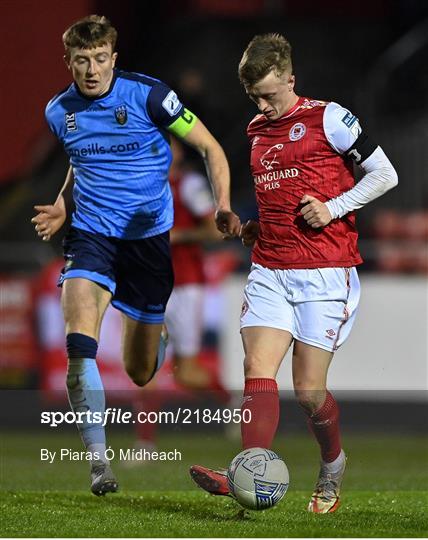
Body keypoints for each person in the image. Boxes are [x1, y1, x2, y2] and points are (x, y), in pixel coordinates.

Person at [31, 15, 240, 496]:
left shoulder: (149, 96)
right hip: (91, 237)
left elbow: (209, 147)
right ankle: (99, 464)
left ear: (114, 58)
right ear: (69, 61)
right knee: (78, 344)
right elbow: (78, 161)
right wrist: (65, 205)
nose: (91, 70)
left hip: (148, 242)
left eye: (99, 59)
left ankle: (155, 334)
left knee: (141, 370)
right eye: (81, 61)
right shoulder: (57, 110)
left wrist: (223, 205)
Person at [189, 33, 398, 513]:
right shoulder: (256, 131)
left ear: (290, 78)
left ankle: (332, 464)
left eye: (270, 94)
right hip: (270, 268)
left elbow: (386, 173)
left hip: (326, 273)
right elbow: (279, 195)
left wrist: (334, 207)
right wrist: (255, 228)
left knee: (307, 392)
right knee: (256, 370)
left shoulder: (330, 118)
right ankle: (248, 468)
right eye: (254, 97)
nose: (263, 105)